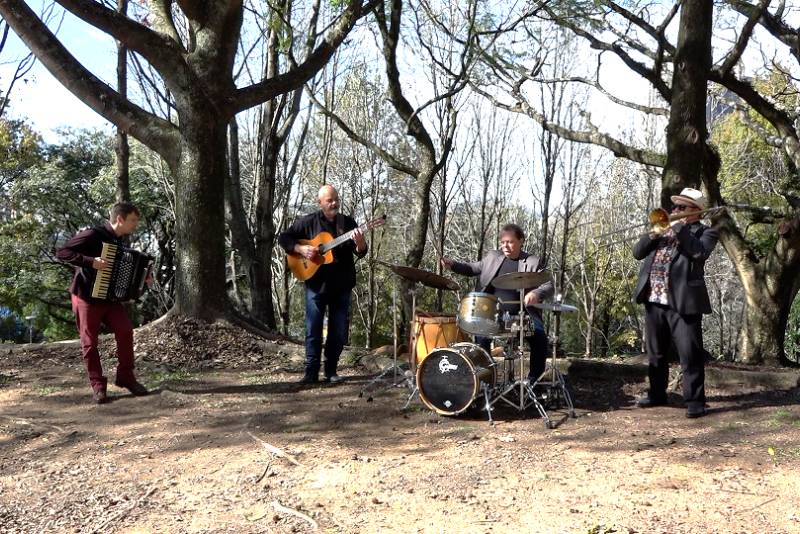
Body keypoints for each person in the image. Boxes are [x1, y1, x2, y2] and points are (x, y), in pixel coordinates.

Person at [632, 187, 719, 418]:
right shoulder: (662, 231)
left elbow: (699, 253)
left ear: (697, 212)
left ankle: (695, 401)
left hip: (683, 301)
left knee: (690, 353)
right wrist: (653, 234)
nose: (675, 210)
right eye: (674, 207)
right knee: (656, 352)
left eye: (681, 207)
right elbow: (637, 252)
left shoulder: (706, 233)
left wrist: (680, 227)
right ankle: (657, 393)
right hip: (654, 298)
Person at [55, 202, 152, 404]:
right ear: (120, 219)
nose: (136, 224)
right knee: (90, 343)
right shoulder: (92, 235)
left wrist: (144, 281)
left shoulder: (118, 241)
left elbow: (125, 272)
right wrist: (91, 261)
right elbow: (62, 252)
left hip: (108, 299)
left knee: (125, 331)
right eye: (133, 220)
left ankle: (126, 377)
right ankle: (98, 385)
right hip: (86, 297)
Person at [441, 223, 554, 382]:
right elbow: (473, 268)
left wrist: (536, 293)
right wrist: (453, 264)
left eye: (510, 242)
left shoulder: (533, 261)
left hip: (524, 315)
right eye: (503, 242)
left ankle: (533, 380)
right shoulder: (493, 257)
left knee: (540, 339)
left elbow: (548, 285)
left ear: (521, 241)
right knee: (480, 336)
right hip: (494, 314)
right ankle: (487, 379)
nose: (505, 246)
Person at [279, 185, 367, 384]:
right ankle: (311, 372)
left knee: (336, 332)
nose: (334, 203)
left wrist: (360, 242)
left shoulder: (348, 223)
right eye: (329, 200)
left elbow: (360, 251)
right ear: (320, 203)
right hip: (315, 286)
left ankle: (331, 371)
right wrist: (301, 249)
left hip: (342, 286)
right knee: (312, 330)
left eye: (336, 199)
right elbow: (283, 238)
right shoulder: (308, 222)